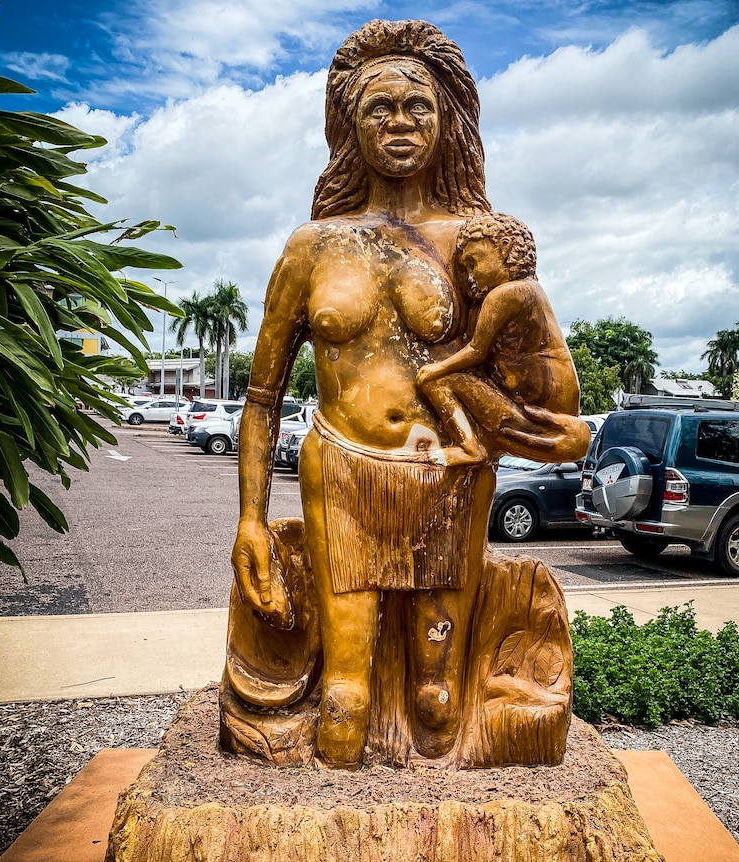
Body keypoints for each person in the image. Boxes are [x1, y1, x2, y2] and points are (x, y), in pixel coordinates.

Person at [230, 19, 585, 769]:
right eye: (377, 107)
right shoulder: (311, 247)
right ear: (347, 127)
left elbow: (541, 374)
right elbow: (261, 398)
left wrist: (529, 425)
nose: (399, 122)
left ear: (448, 119)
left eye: (417, 105)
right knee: (344, 703)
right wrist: (251, 523)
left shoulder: (481, 245)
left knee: (437, 708)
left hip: (447, 484)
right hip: (345, 476)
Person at [416, 212, 586, 466]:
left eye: (474, 263)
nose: (471, 276)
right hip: (549, 413)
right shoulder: (532, 289)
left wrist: (434, 369)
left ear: (505, 250)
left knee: (436, 382)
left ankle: (469, 447)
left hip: (535, 414)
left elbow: (476, 351)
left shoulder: (506, 294)